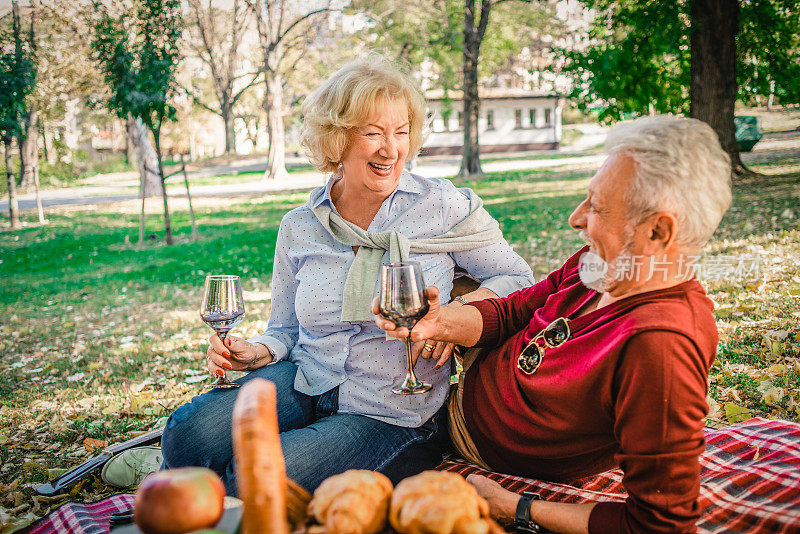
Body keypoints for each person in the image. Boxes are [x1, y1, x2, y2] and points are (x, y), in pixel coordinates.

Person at [97, 55, 534, 494]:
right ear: (338, 139)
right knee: (188, 434)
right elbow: (285, 329)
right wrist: (257, 352)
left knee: (258, 480)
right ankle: (190, 471)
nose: (391, 149)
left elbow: (519, 279)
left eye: (401, 132)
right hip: (307, 378)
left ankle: (196, 482)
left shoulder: (441, 205)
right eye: (372, 133)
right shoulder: (300, 225)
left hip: (393, 411)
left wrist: (458, 314)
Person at [374, 115, 732, 533]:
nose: (576, 219)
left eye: (596, 206)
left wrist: (515, 507)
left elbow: (660, 524)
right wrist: (439, 323)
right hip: (449, 391)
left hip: (457, 439)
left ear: (658, 230)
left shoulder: (660, 346)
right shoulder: (602, 266)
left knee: (297, 468)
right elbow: (516, 312)